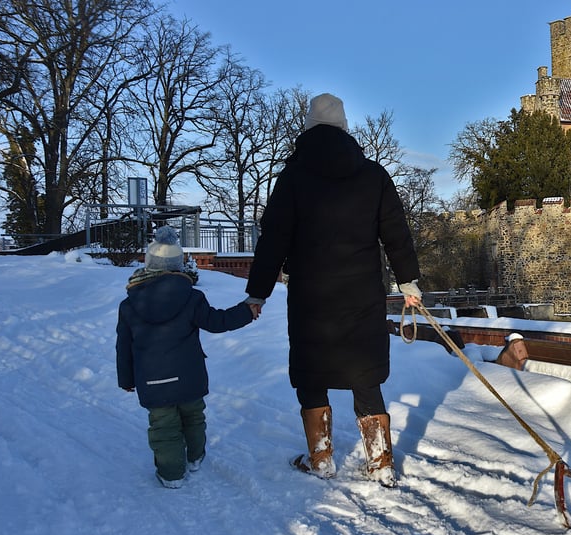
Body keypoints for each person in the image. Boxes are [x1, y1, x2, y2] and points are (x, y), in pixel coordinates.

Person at [245, 92, 421, 487]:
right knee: (364, 373)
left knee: (312, 374)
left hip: (312, 298)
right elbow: (396, 234)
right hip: (362, 295)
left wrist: (258, 293)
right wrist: (409, 281)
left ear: (309, 126)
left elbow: (273, 240)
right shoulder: (373, 175)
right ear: (344, 128)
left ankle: (321, 459)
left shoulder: (292, 178)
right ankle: (381, 462)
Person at [116, 226, 256, 489]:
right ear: (177, 264)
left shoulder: (129, 305)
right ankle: (194, 457)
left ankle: (171, 475)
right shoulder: (191, 297)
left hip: (153, 379)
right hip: (189, 375)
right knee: (193, 417)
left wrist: (126, 378)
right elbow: (217, 322)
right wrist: (247, 311)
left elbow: (123, 345)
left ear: (149, 263)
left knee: (163, 426)